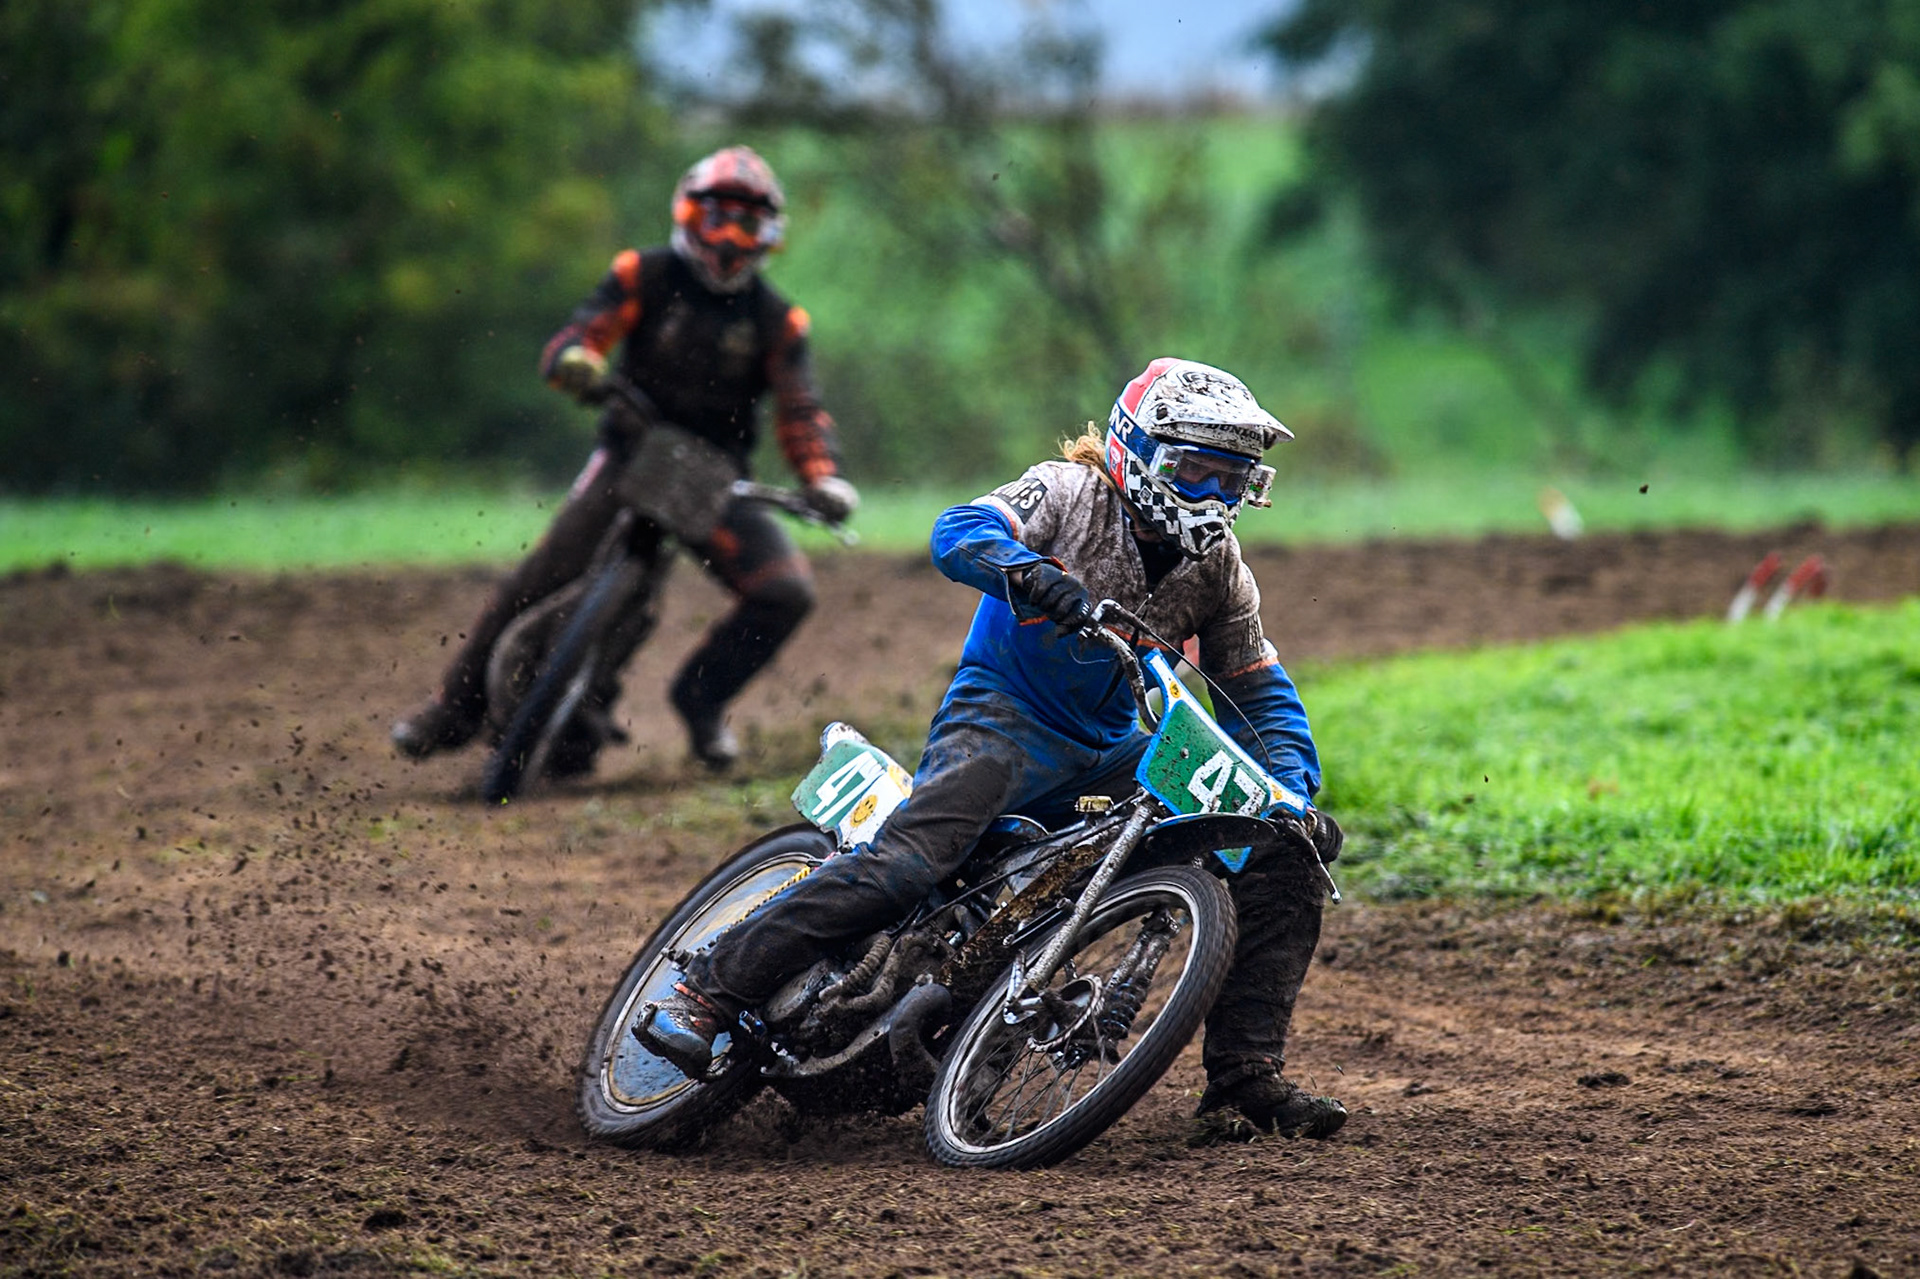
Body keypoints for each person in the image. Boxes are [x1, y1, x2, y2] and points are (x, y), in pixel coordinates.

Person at [644, 357, 1349, 1140]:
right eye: (1199, 472)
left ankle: (1245, 1077)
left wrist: (1291, 795)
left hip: (1112, 750)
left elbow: (1259, 692)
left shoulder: (1220, 569)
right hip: (1001, 718)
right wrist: (1029, 574)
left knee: (1284, 853)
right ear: (1137, 452)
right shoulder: (1069, 492)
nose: (1217, 497)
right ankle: (708, 988)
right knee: (915, 859)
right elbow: (957, 531)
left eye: (1234, 478)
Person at [392, 145, 858, 771]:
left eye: (747, 224)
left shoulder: (779, 321)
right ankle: (453, 708)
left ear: (768, 237)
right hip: (631, 454)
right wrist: (578, 362)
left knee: (785, 593)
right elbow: (583, 331)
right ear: (689, 215)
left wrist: (822, 478)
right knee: (543, 574)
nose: (729, 238)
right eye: (718, 217)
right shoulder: (644, 274)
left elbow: (800, 412)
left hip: (715, 480)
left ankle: (701, 700)